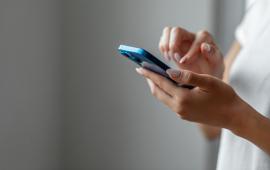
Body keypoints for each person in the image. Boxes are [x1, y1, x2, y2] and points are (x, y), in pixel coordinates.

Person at [136, 0, 270, 169]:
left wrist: (234, 116)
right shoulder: (259, 6)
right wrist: (206, 74)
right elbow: (213, 130)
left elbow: (230, 114)